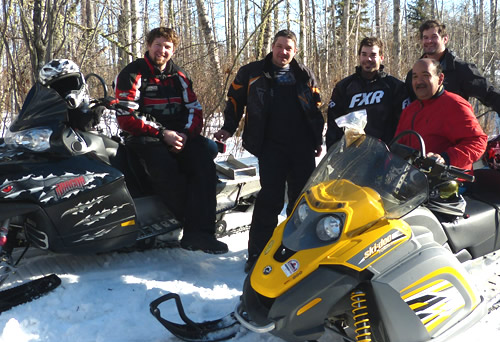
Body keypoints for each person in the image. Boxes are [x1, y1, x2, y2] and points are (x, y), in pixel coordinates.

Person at [215, 29, 325, 273]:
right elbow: (234, 102)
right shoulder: (252, 72)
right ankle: (257, 254)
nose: (283, 51)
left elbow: (315, 109)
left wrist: (317, 138)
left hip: (301, 146)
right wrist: (227, 128)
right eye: (279, 46)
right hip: (270, 145)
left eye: (288, 48)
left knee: (301, 202)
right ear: (272, 47)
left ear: (295, 51)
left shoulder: (303, 74)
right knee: (270, 200)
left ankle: (299, 252)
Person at [114, 27, 228, 253]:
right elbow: (126, 117)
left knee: (203, 160)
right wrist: (162, 134)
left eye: (167, 47)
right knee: (163, 165)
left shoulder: (180, 75)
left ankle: (202, 234)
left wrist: (186, 134)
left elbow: (195, 109)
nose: (162, 51)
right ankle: (191, 227)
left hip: (179, 135)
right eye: (158, 45)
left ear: (173, 50)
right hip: (144, 136)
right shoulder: (132, 73)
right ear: (149, 45)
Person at [406, 20, 500, 130]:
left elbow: (489, 94)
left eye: (434, 37)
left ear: (445, 39)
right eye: (425, 37)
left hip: (452, 137)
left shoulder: (461, 70)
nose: (429, 41)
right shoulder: (414, 74)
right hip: (422, 139)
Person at [395, 58, 487, 171]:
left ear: (440, 79)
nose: (419, 81)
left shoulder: (454, 105)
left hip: (448, 182)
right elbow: (397, 146)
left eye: (425, 75)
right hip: (413, 182)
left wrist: (445, 159)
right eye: (415, 77)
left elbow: (477, 142)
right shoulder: (409, 111)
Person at [326, 37, 407, 148]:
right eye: (364, 54)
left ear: (381, 57)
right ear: (359, 56)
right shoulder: (344, 87)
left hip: (385, 154)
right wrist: (333, 151)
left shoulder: (395, 86)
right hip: (352, 153)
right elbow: (333, 124)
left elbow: (403, 123)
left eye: (373, 55)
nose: (368, 59)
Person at [38, 59, 104, 131]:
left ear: (81, 81)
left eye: (71, 84)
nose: (68, 92)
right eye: (58, 88)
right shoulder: (48, 115)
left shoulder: (98, 109)